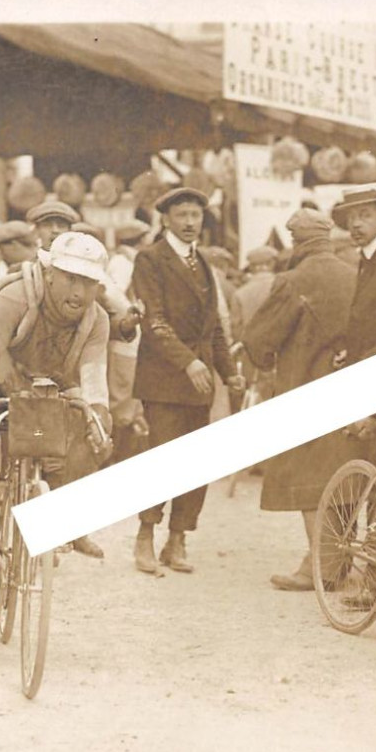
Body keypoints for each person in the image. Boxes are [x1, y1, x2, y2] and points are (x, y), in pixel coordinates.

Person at [0, 233, 117, 624]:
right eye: (70, 279)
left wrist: (100, 425)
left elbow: (94, 388)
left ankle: (56, 515)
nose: (79, 291)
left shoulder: (97, 320)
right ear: (48, 274)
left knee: (93, 438)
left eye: (89, 282)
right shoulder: (16, 299)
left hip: (43, 379)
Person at [240, 208, 356, 590]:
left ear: (297, 241)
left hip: (306, 387)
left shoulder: (292, 280)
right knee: (345, 472)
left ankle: (320, 566)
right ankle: (335, 559)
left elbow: (260, 340)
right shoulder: (353, 276)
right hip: (353, 388)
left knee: (311, 478)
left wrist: (264, 358)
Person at [129, 186, 238, 573]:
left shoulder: (204, 262)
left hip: (200, 381)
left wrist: (230, 372)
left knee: (196, 463)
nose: (191, 223)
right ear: (166, 219)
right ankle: (145, 537)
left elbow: (214, 328)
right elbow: (153, 321)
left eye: (196, 215)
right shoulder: (150, 259)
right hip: (165, 379)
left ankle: (177, 539)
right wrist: (189, 363)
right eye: (183, 216)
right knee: (161, 459)